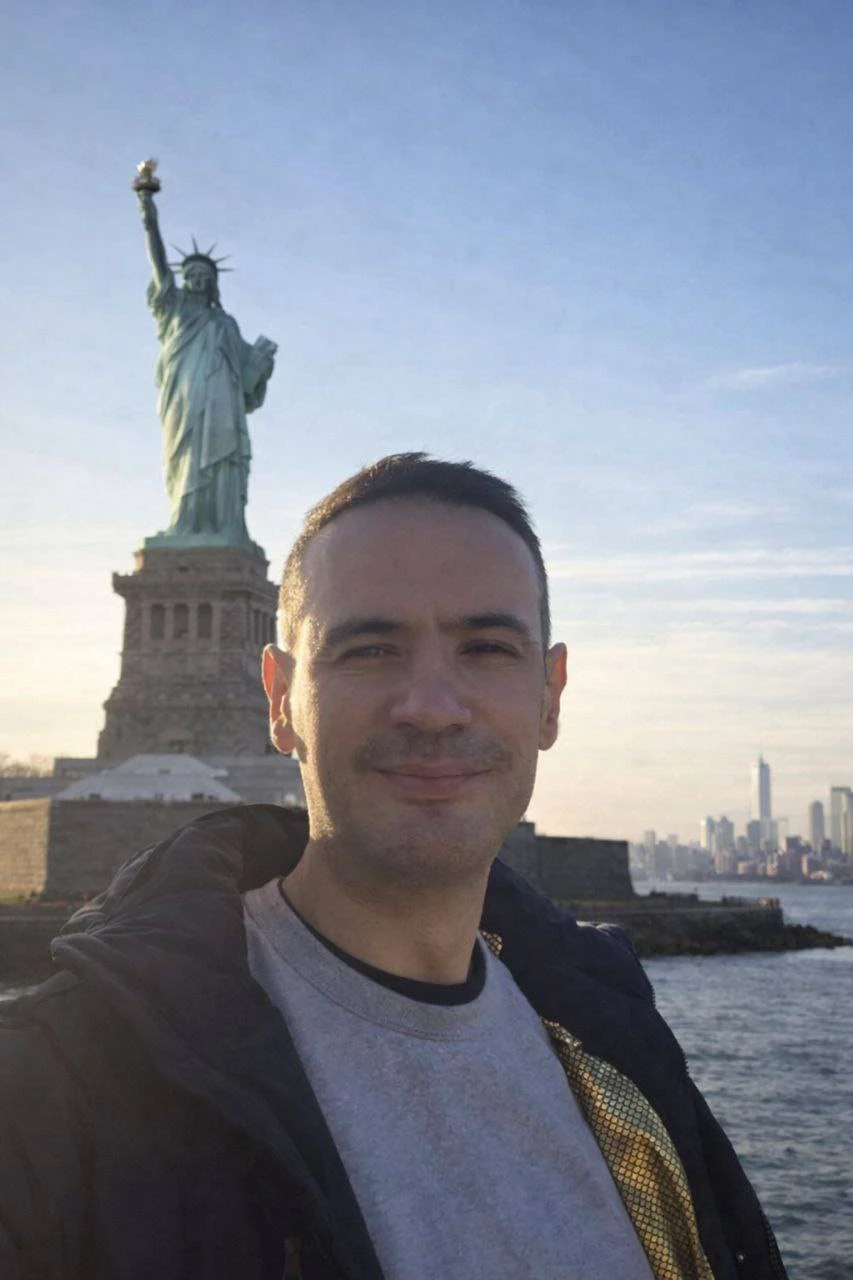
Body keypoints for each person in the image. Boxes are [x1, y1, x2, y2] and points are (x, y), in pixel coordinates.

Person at [0, 454, 788, 1279]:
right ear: (280, 699)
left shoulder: (619, 1035)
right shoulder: (54, 1100)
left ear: (550, 695)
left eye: (487, 648)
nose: (432, 709)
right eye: (369, 649)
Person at [137, 184, 277, 544]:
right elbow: (158, 264)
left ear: (214, 282)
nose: (198, 279)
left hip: (222, 404)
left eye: (205, 275)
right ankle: (184, 523)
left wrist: (261, 364)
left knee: (223, 461)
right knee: (183, 455)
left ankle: (224, 525)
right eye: (192, 274)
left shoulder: (226, 324)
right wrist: (148, 213)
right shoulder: (173, 310)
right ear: (184, 279)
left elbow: (247, 382)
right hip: (183, 398)